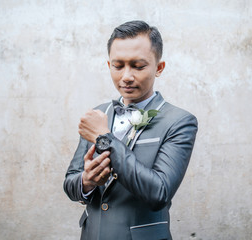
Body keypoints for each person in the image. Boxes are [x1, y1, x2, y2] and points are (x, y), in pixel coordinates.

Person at [63, 20, 198, 240]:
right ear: (109, 66)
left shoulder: (180, 121)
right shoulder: (97, 116)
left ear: (159, 68)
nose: (126, 76)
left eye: (138, 66)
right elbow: (70, 182)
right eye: (118, 66)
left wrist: (104, 138)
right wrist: (86, 182)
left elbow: (159, 193)